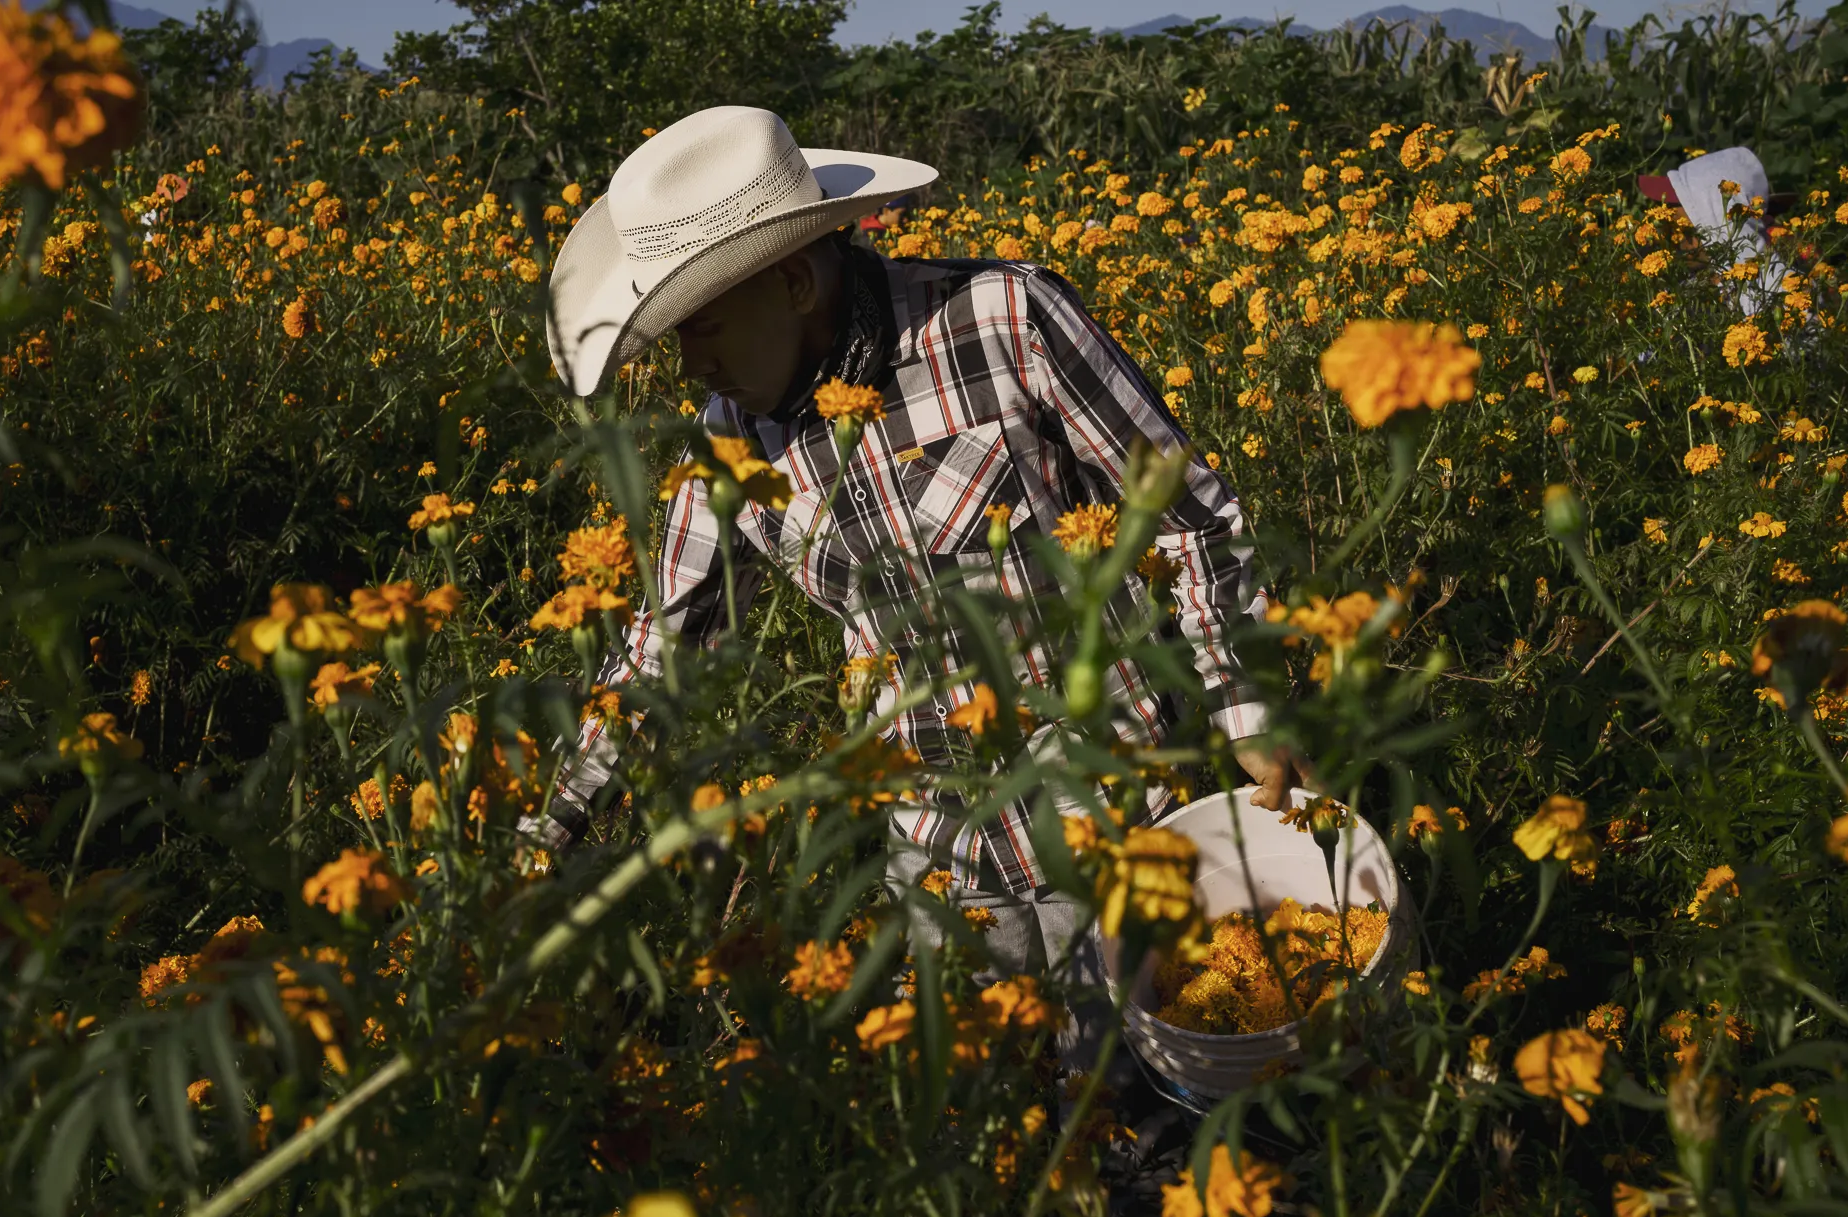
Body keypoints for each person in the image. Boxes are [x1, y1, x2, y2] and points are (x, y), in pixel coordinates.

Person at [541, 105, 1302, 1076]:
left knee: (1148, 1115)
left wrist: (1244, 704)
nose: (689, 365)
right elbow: (656, 656)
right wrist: (544, 838)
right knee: (1000, 1143)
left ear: (794, 278)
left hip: (1109, 823)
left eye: (697, 327)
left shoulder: (1001, 319)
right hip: (940, 859)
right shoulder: (729, 438)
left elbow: (1185, 510)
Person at [1636, 145, 1790, 316]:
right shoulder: (1685, 297)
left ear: (1708, 213)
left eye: (1670, 207)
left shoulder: (1787, 295)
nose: (1663, 219)